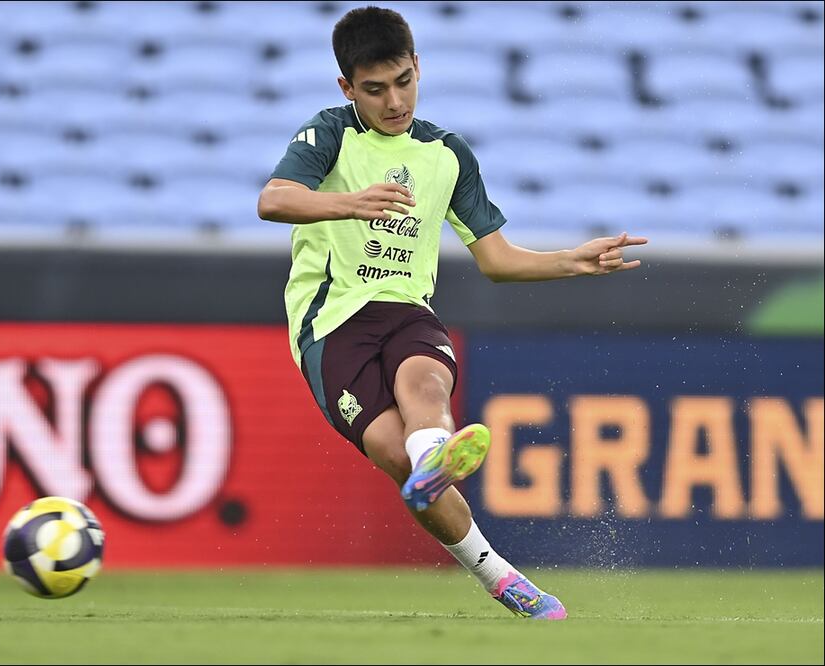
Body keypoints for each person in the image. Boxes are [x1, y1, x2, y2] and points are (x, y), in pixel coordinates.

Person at [257, 6, 648, 620]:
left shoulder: (445, 153)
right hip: (332, 325)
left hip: (407, 308)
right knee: (393, 451)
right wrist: (349, 204)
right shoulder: (330, 134)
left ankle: (436, 453)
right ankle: (495, 572)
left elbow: (495, 258)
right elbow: (273, 200)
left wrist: (573, 261)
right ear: (346, 88)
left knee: (426, 380)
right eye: (375, 89)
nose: (394, 101)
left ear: (419, 67)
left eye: (404, 81)